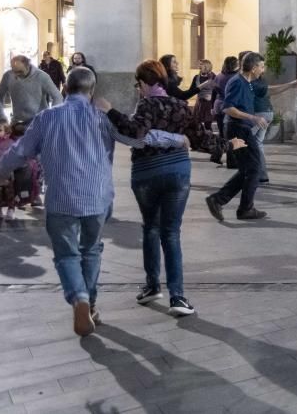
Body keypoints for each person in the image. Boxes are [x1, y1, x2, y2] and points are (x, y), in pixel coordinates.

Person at [0, 67, 184, 337]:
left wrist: (0, 172)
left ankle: (79, 298)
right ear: (92, 91)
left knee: (67, 255)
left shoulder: (47, 118)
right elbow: (140, 138)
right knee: (91, 250)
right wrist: (177, 139)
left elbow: (20, 152)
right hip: (97, 198)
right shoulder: (102, 117)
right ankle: (90, 305)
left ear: (65, 89)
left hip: (61, 199)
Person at [101, 59, 246, 316]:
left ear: (145, 83)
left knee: (151, 228)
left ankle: (152, 286)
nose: (138, 89)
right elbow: (201, 139)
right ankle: (177, 298)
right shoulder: (180, 105)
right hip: (178, 171)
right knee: (171, 233)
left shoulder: (146, 104)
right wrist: (228, 145)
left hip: (147, 172)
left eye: (139, 84)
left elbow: (135, 132)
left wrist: (110, 110)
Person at [205, 52, 271, 222]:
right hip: (237, 128)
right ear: (254, 67)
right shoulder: (237, 82)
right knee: (254, 168)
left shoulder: (248, 82)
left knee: (248, 169)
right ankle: (244, 209)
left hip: (241, 128)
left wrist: (293, 84)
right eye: (261, 66)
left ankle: (220, 201)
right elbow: (227, 108)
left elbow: (267, 91)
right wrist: (253, 118)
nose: (263, 70)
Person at [0, 55, 63, 124]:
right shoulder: (8, 75)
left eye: (20, 71)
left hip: (39, 122)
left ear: (28, 66)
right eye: (14, 71)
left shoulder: (41, 76)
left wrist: (51, 116)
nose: (16, 75)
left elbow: (58, 97)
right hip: (17, 122)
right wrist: (1, 116)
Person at [211, 56, 240, 139]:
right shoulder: (236, 77)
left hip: (218, 105)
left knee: (221, 132)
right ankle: (230, 150)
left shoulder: (218, 76)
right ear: (234, 65)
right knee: (231, 133)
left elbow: (214, 92)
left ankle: (221, 149)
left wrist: (212, 107)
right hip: (229, 106)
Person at [192, 60, 216, 130]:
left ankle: (210, 139)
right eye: (199, 65)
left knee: (208, 125)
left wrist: (211, 97)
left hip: (209, 104)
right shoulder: (196, 77)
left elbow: (217, 90)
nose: (199, 66)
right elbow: (192, 91)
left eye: (201, 64)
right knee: (196, 124)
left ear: (206, 66)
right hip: (199, 102)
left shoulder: (214, 77)